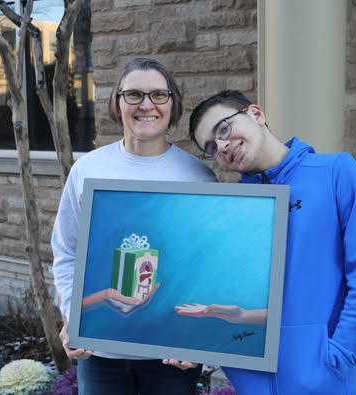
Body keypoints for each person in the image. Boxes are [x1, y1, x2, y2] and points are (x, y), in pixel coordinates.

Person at [187, 90, 356, 394]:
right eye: (211, 147)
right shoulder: (232, 208)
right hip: (251, 382)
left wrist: (338, 358)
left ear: (255, 114)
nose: (223, 146)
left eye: (224, 129)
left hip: (326, 380)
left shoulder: (338, 173)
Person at [51, 57, 217, 395]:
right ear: (117, 102)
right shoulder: (88, 170)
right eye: (134, 95)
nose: (146, 105)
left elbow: (207, 267)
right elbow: (67, 251)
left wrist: (201, 342)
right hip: (101, 350)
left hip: (171, 352)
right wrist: (74, 317)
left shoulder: (197, 176)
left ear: (172, 103)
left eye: (159, 95)